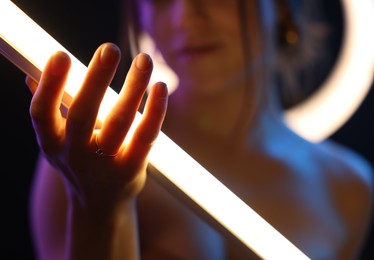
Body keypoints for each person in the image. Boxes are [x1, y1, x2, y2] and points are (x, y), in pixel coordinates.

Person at [25, 0, 373, 259]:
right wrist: (100, 206)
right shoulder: (91, 154)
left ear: (281, 7)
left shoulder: (346, 189)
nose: (185, 17)